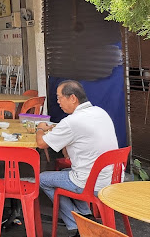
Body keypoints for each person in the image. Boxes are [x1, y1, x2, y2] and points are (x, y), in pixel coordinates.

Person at [36, 80, 119, 236]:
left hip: (90, 181)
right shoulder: (100, 112)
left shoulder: (72, 121)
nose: (58, 102)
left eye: (59, 97)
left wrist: (40, 128)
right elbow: (70, 147)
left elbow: (41, 143)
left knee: (42, 179)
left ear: (72, 98)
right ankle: (86, 216)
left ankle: (77, 225)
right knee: (69, 171)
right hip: (110, 177)